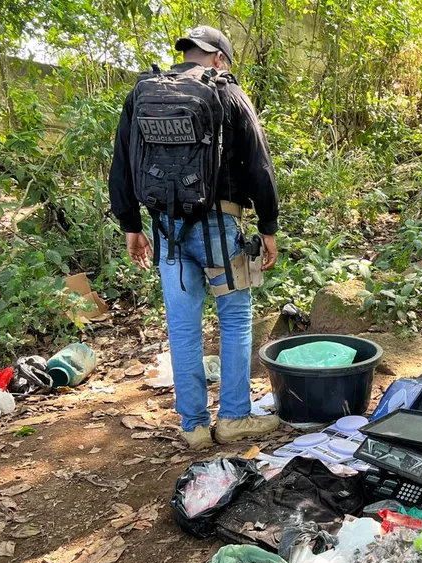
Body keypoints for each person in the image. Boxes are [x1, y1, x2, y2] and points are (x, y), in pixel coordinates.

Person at [109, 26, 282, 450]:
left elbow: (122, 163)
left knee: (182, 326)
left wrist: (131, 225)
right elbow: (260, 166)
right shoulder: (228, 93)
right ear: (219, 58)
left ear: (184, 53)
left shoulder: (143, 93)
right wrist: (268, 227)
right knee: (235, 318)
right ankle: (234, 418)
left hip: (165, 228)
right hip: (220, 228)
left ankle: (194, 427)